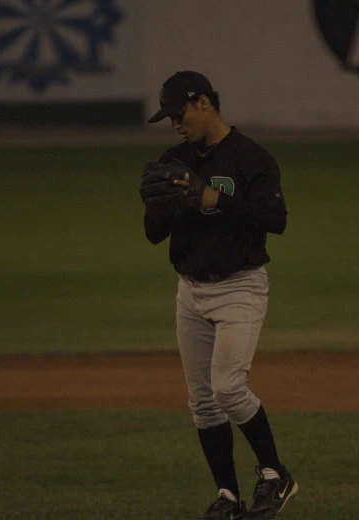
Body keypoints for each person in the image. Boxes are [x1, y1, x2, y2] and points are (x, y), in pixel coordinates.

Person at [142, 71, 298, 520]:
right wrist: (161, 205)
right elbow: (154, 235)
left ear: (204, 103)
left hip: (239, 287)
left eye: (178, 112)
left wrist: (212, 198)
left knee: (228, 387)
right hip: (189, 290)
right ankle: (228, 498)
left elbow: (276, 219)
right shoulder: (174, 160)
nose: (174, 123)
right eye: (169, 116)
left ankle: (274, 475)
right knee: (203, 402)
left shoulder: (251, 157)